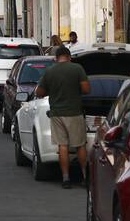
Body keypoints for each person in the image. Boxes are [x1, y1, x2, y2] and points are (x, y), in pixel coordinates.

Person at [35, 46, 91, 189]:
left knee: (63, 146)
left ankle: (66, 178)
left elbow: (39, 92)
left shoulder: (50, 71)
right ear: (69, 56)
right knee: (80, 145)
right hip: (74, 112)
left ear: (56, 58)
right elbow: (86, 90)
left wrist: (51, 89)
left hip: (57, 114)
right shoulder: (77, 69)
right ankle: (86, 177)